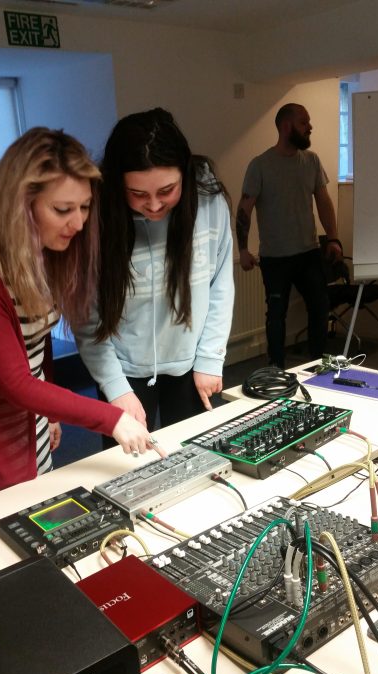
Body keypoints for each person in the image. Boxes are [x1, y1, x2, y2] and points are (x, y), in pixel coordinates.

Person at [0, 127, 153, 502]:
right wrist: (112, 418)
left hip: (32, 427)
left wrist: (50, 413)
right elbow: (16, 383)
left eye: (84, 207)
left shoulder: (39, 255)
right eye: (63, 210)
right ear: (21, 205)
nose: (79, 223)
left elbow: (37, 342)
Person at [74, 108, 234, 437]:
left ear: (184, 175)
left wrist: (210, 358)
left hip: (192, 361)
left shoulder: (208, 199)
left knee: (196, 453)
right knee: (127, 462)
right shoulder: (96, 217)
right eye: (138, 194)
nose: (155, 205)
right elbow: (88, 317)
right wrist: (115, 387)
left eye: (166, 191)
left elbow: (220, 284)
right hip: (123, 368)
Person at [236, 103, 343, 368]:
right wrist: (243, 250)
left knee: (320, 307)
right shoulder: (260, 165)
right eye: (304, 122)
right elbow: (244, 209)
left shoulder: (311, 161)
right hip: (275, 258)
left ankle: (317, 365)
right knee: (276, 315)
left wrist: (333, 238)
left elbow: (324, 202)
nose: (310, 127)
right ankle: (277, 369)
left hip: (308, 253)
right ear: (286, 127)